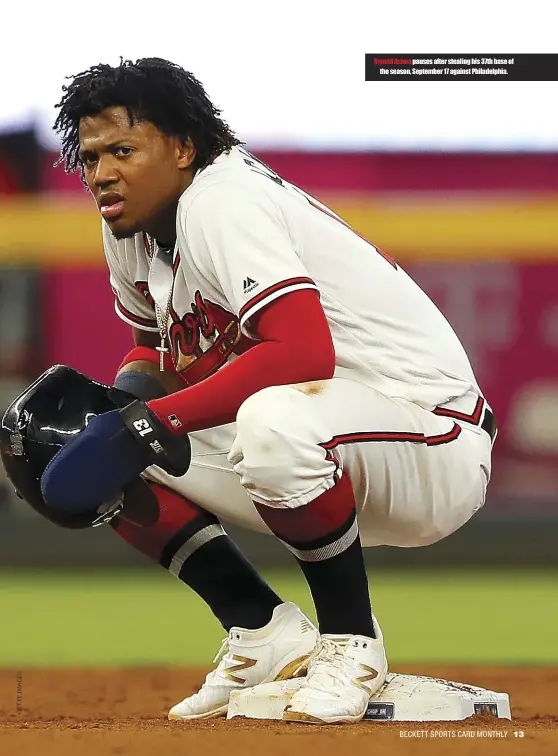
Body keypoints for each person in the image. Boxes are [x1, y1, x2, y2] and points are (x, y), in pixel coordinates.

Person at [42, 57, 496, 724]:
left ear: (182, 147)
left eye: (123, 151)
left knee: (269, 421)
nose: (101, 173)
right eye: (90, 157)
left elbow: (300, 352)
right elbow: (158, 352)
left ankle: (351, 643)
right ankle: (262, 633)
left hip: (432, 439)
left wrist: (145, 426)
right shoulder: (132, 224)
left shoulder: (224, 201)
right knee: (52, 429)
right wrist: (126, 411)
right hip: (328, 434)